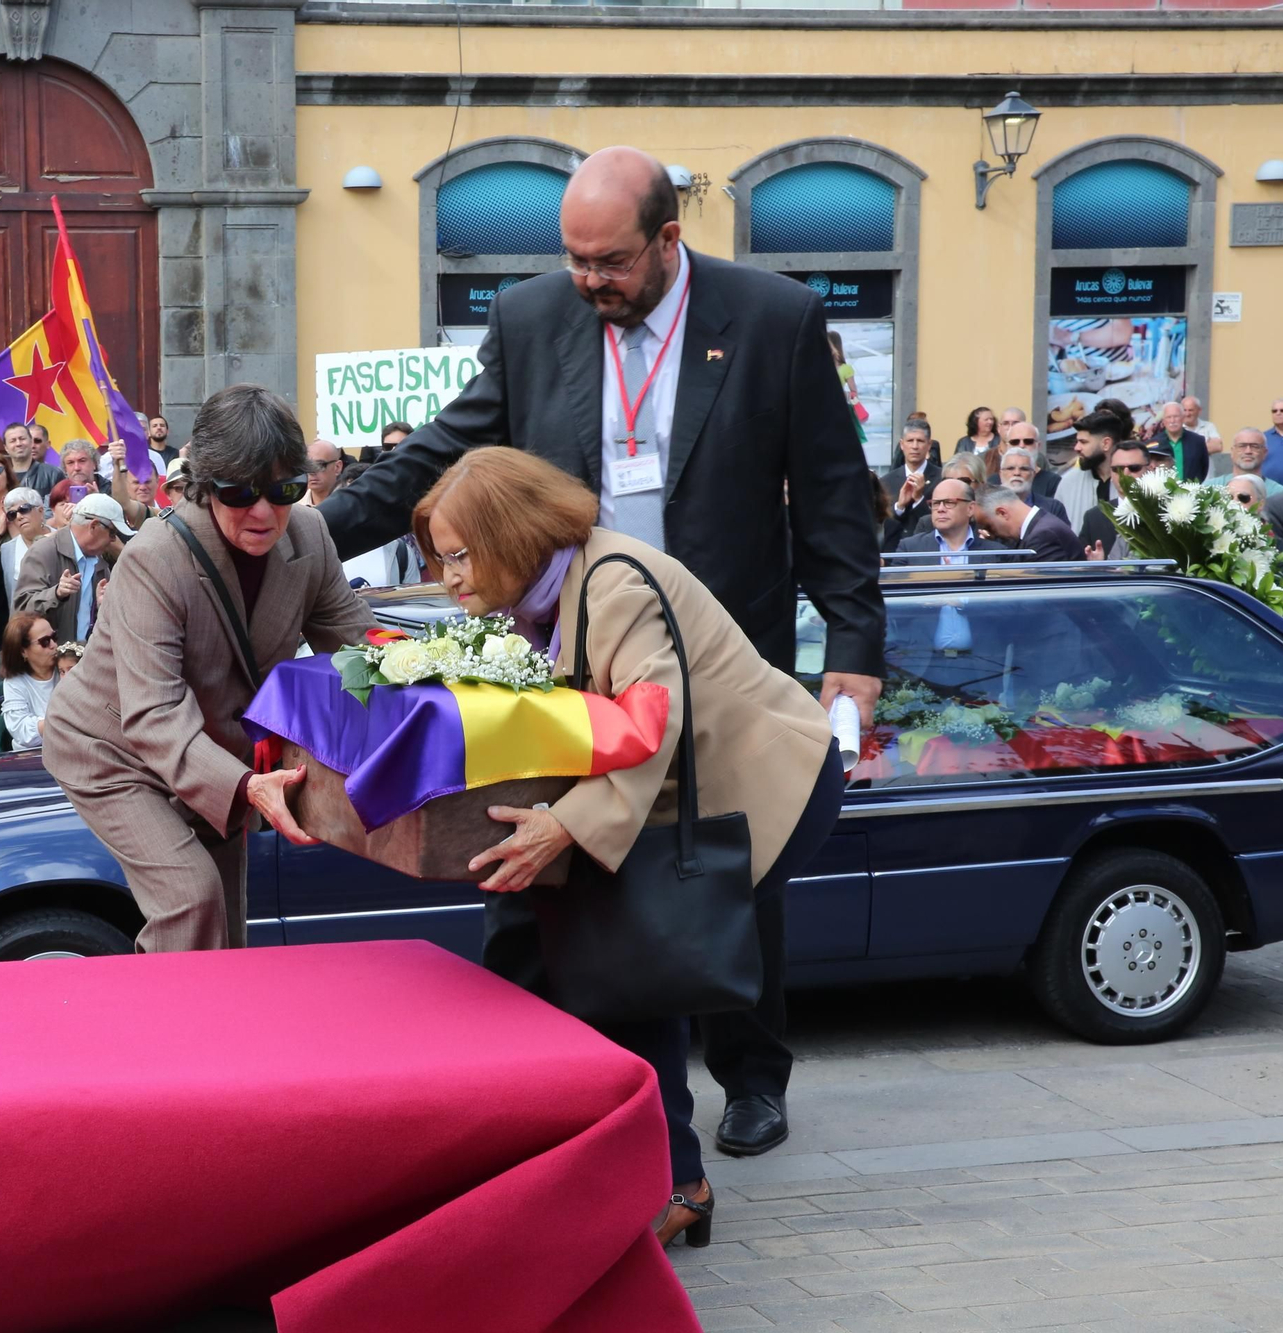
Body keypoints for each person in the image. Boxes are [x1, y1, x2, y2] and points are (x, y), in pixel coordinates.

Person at [323, 146, 881, 1156]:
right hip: (573, 653)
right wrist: (310, 536)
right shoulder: (531, 318)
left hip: (717, 647)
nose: (588, 281)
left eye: (610, 262)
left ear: (667, 239)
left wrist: (853, 641)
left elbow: (833, 492)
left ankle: (750, 1078)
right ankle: (565, 1095)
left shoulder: (774, 319)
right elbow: (442, 455)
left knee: (724, 875)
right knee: (566, 878)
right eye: (574, 260)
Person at [413, 446, 839, 1248]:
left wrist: (567, 825)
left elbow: (650, 725)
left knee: (633, 973)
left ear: (511, 537)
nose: (448, 576)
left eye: (460, 555)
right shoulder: (532, 596)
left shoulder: (615, 588)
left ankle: (672, 1183)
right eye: (440, 557)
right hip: (663, 803)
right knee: (595, 968)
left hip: (762, 788)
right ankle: (637, 1170)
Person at [41, 384, 377, 954]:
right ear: (204, 484)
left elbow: (361, 647)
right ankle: (173, 1016)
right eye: (241, 491)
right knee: (191, 897)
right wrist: (246, 786)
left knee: (225, 911)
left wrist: (444, 685)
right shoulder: (154, 557)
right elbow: (153, 715)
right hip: (112, 749)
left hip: (211, 747)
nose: (265, 511)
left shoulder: (309, 534)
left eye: (285, 489)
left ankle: (219, 1010)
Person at [14, 492, 128, 644]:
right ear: (93, 526)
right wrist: (57, 594)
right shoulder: (43, 552)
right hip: (51, 656)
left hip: (86, 655)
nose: (113, 540)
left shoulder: (100, 563)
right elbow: (21, 612)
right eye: (112, 532)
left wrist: (103, 606)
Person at [1080, 442, 1156, 559]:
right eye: (1117, 469)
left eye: (1134, 468)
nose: (1125, 474)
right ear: (1111, 472)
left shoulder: (1164, 512)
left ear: (1150, 469)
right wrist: (1097, 566)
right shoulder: (1094, 518)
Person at [976, 483, 1083, 561]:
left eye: (989, 526)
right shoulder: (1041, 527)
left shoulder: (1043, 535)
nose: (991, 533)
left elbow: (1043, 584)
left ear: (1002, 513)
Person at [893, 477, 990, 563]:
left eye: (949, 502)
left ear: (970, 509)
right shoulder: (909, 548)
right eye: (935, 503)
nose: (940, 509)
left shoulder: (993, 552)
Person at [0, 612, 58, 750]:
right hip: (32, 755)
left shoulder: (66, 668)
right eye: (45, 641)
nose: (54, 645)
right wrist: (61, 723)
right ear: (23, 651)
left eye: (54, 637)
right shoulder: (14, 681)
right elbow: (20, 730)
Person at [879, 421, 941, 549]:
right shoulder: (886, 481)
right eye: (910, 441)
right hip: (895, 550)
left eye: (920, 441)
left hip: (929, 549)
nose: (915, 446)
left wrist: (919, 499)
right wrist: (899, 507)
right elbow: (881, 522)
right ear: (902, 445)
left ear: (929, 445)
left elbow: (942, 520)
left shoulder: (941, 479)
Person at [994, 447, 1068, 525]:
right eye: (1010, 468)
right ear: (1000, 474)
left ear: (1033, 474)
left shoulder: (1053, 508)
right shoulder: (987, 508)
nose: (1017, 473)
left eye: (1024, 469)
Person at [1149, 401, 1209, 482]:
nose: (1172, 421)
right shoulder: (1153, 444)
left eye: (1176, 416)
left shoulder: (1197, 441)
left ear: (1183, 418)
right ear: (1163, 421)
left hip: (1190, 488)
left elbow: (1203, 468)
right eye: (1168, 417)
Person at [1219, 430, 1283, 498]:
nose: (1248, 451)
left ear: (1265, 453)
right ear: (1232, 452)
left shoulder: (1279, 494)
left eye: (1255, 446)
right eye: (1242, 446)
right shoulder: (1214, 487)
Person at [3, 422, 63, 495]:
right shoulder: (0, 477)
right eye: (12, 441)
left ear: (31, 442)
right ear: (6, 448)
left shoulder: (54, 474)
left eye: (22, 439)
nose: (18, 444)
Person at [301, 439, 345, 507]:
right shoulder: (294, 505)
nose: (311, 472)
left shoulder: (351, 503)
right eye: (308, 465)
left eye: (319, 465)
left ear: (337, 467)